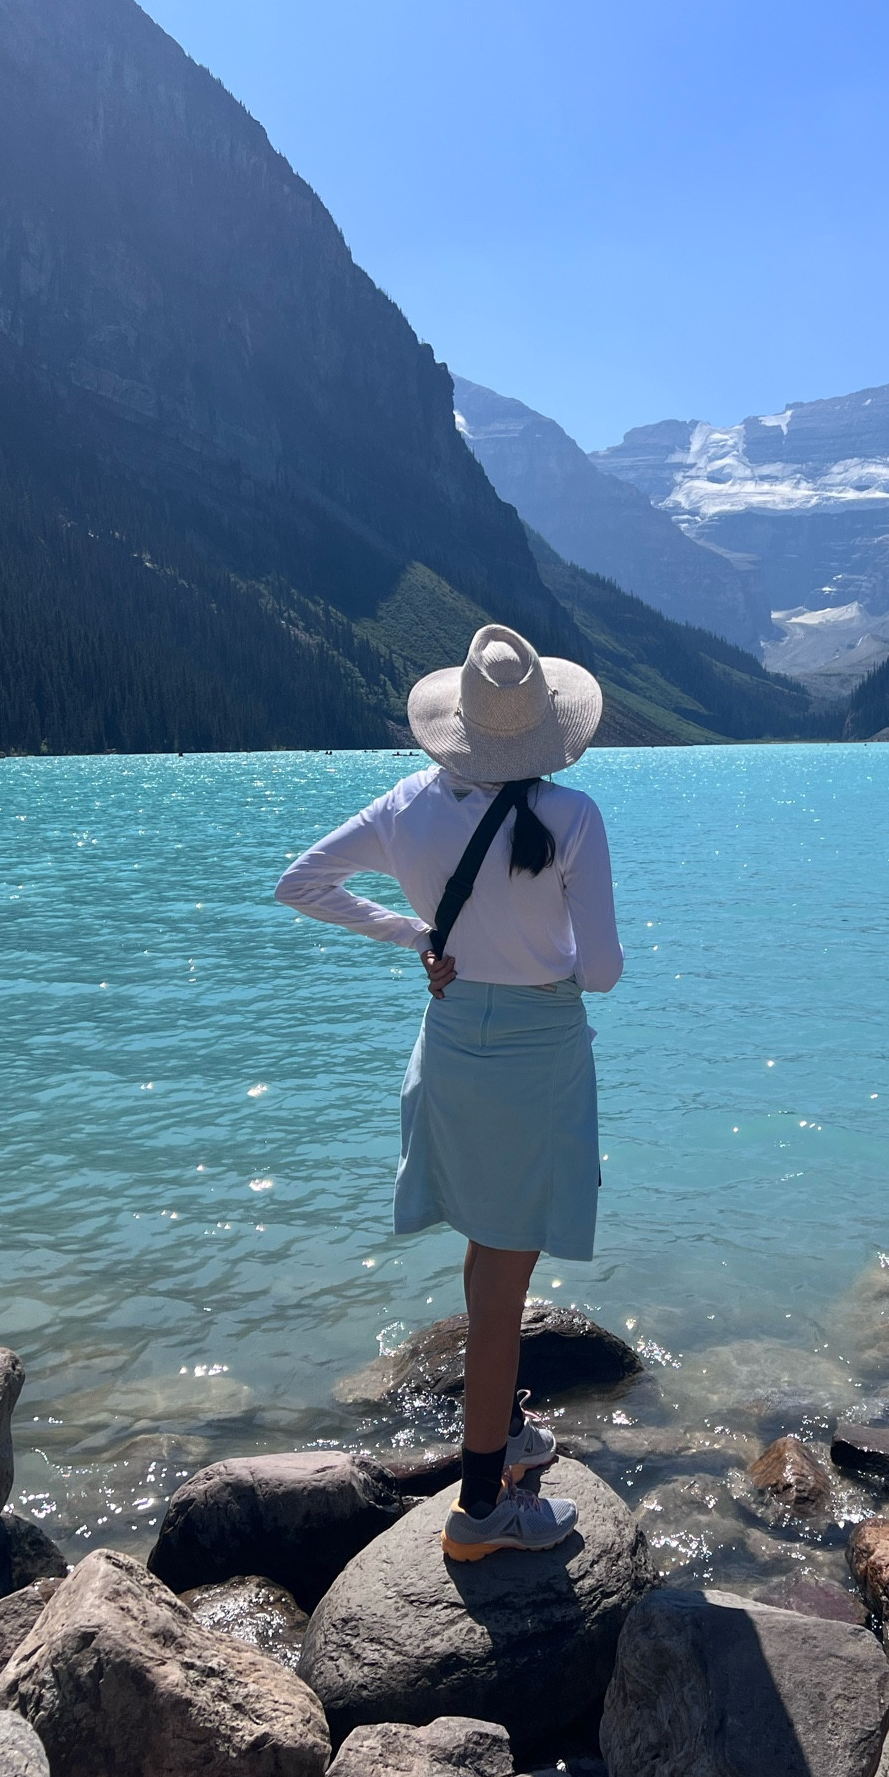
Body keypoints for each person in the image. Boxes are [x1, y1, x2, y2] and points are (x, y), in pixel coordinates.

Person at [276, 624, 623, 1560]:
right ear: (543, 728)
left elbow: (301, 884)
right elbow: (601, 974)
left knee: (487, 1254)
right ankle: (482, 1510)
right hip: (538, 1052)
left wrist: (419, 939)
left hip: (450, 1042)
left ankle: (503, 1428)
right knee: (507, 1286)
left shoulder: (406, 804)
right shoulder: (572, 818)